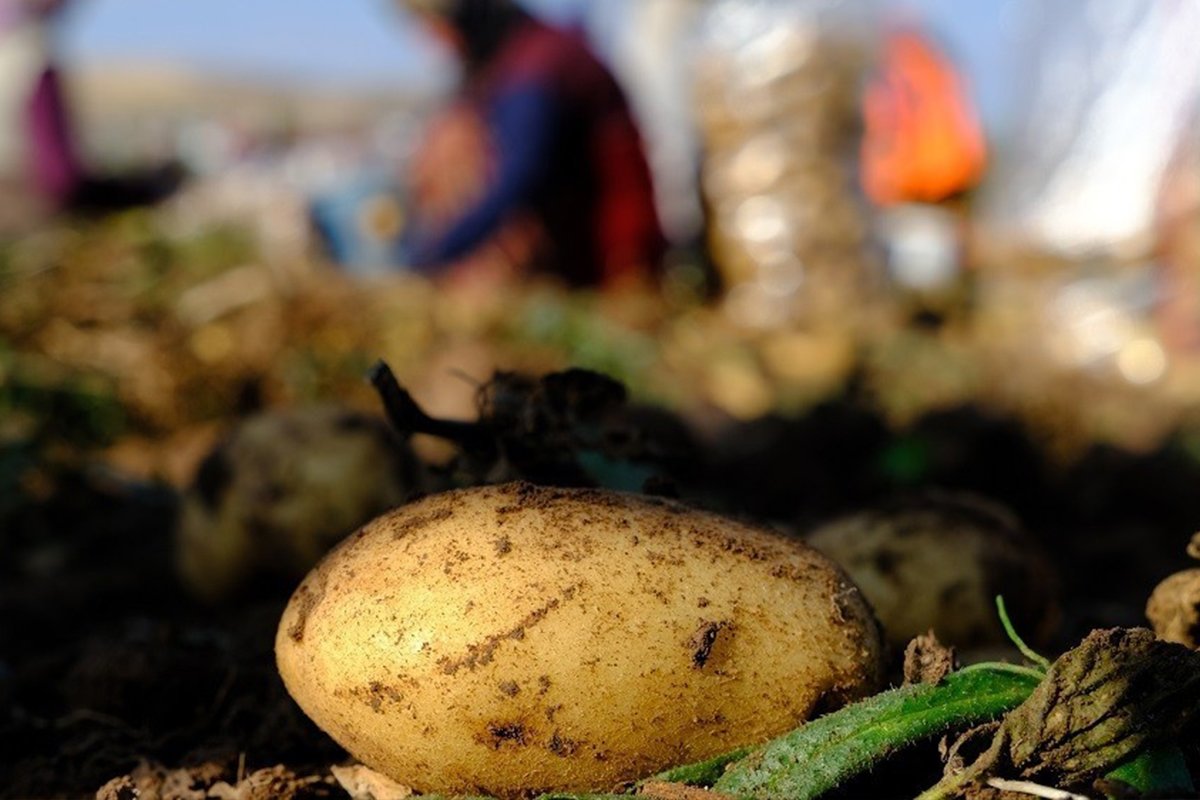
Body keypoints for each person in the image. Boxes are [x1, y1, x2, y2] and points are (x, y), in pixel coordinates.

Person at [398, 0, 666, 290]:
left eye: (436, 30)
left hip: (610, 263)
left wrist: (436, 256)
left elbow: (520, 173)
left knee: (455, 145)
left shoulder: (538, 66)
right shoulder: (507, 66)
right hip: (573, 260)